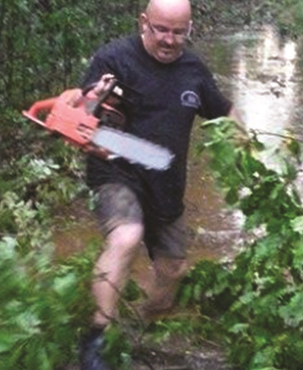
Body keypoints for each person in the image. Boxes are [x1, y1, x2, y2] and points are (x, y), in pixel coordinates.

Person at [77, 0, 240, 369]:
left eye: (178, 32)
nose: (169, 40)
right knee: (126, 236)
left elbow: (224, 111)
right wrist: (94, 104)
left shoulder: (193, 70)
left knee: (173, 272)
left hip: (165, 182)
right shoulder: (113, 59)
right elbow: (84, 105)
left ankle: (134, 327)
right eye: (161, 30)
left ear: (190, 28)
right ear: (144, 23)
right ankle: (95, 340)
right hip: (116, 172)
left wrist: (244, 146)